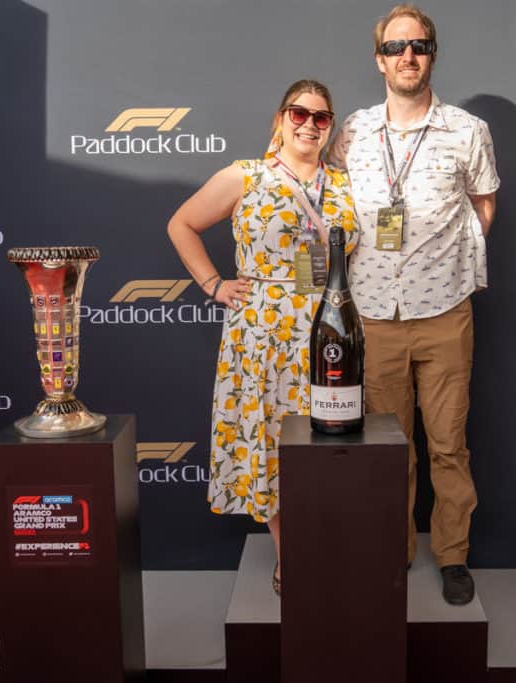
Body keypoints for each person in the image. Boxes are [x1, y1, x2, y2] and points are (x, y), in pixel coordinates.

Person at [327, 4, 499, 605]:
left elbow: (484, 208)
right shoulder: (351, 130)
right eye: (397, 46)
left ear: (432, 55)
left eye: (420, 45)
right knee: (387, 446)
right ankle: (393, 552)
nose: (408, 55)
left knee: (448, 444)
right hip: (373, 313)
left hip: (445, 312)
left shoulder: (469, 130)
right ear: (379, 59)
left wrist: (440, 261)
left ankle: (452, 555)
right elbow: (330, 210)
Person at [168, 80, 358, 596]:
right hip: (264, 333)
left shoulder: (344, 183)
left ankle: (327, 540)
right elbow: (182, 223)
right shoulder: (245, 176)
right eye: (300, 113)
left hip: (329, 329)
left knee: (327, 441)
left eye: (321, 118)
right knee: (273, 440)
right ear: (280, 118)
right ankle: (288, 552)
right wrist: (213, 284)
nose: (309, 125)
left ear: (330, 126)